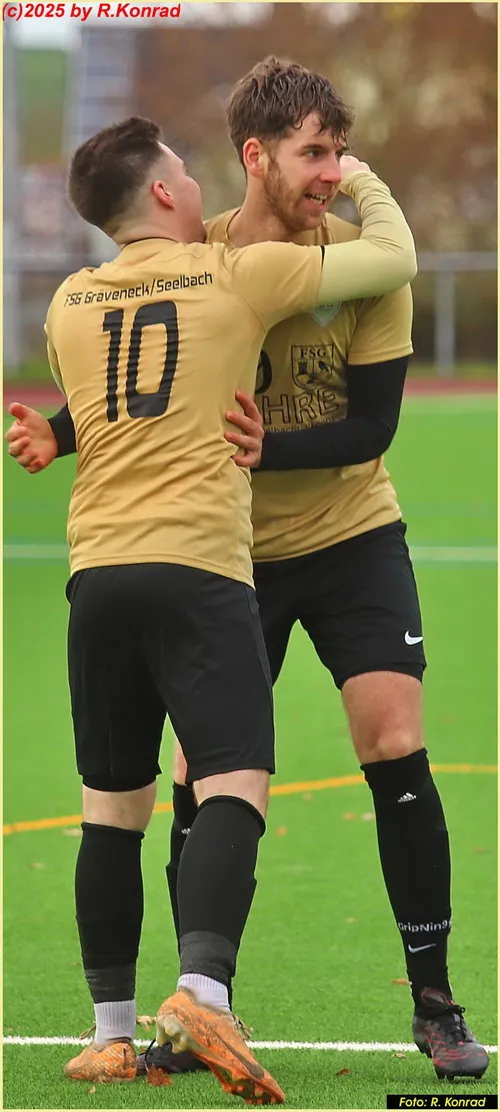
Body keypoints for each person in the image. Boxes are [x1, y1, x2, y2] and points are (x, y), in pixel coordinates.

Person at [10, 106, 419, 1100]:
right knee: (234, 780)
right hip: (198, 567)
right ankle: (201, 990)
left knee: (112, 807)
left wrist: (55, 435)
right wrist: (357, 175)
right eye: (185, 172)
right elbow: (392, 258)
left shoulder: (68, 301)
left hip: (97, 573)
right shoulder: (237, 272)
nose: (199, 186)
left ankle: (110, 1032)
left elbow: (124, 396)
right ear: (162, 191)